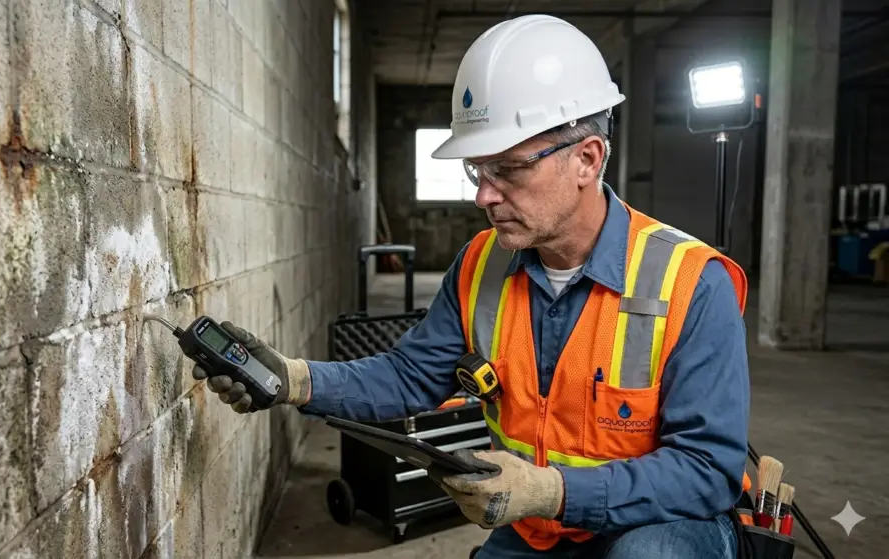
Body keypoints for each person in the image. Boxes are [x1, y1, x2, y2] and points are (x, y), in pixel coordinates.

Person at [196, 14, 751, 559]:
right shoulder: (481, 265)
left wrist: (550, 491)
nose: (483, 196)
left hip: (659, 524)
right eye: (477, 170)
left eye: (507, 169)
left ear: (587, 159)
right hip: (542, 532)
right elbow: (410, 376)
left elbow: (707, 472)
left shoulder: (691, 282)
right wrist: (295, 380)